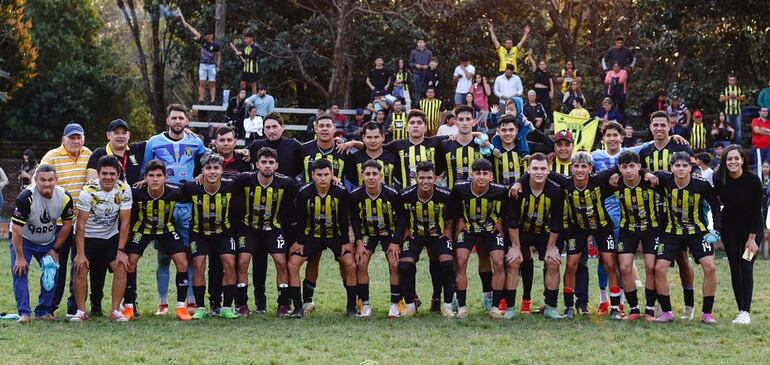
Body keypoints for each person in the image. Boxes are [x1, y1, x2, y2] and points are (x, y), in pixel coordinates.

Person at [143, 104, 208, 315]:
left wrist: (202, 174)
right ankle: (163, 302)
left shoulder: (195, 141)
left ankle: (189, 300)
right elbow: (146, 170)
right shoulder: (154, 142)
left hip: (187, 206)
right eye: (174, 118)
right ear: (168, 121)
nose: (178, 121)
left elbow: (209, 161)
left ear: (186, 121)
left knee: (187, 255)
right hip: (165, 206)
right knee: (163, 256)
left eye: (181, 118)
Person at [639, 111, 698, 320]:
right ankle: (656, 304)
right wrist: (645, 173)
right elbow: (635, 168)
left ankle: (689, 304)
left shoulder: (680, 146)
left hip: (678, 212)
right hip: (654, 212)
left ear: (670, 126)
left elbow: (696, 171)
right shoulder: (645, 151)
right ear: (650, 126)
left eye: (663, 125)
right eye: (655, 125)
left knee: (682, 258)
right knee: (654, 261)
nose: (659, 128)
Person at [652, 152, 721, 324]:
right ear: (671, 168)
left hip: (697, 232)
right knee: (659, 269)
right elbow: (644, 173)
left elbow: (715, 205)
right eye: (677, 165)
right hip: (671, 232)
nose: (681, 169)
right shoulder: (665, 179)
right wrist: (646, 172)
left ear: (691, 168)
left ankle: (707, 313)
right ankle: (667, 312)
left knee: (710, 267)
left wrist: (716, 230)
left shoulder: (702, 184)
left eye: (684, 166)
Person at [244, 113, 302, 311]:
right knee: (258, 261)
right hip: (260, 213)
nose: (271, 130)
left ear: (282, 127)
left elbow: (308, 168)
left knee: (283, 259)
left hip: (285, 214)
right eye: (267, 127)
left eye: (275, 126)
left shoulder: (294, 145)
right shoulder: (254, 146)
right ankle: (260, 303)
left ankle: (285, 301)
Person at [232, 147, 297, 317]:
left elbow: (307, 188)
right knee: (242, 262)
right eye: (264, 162)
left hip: (273, 229)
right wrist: (202, 175)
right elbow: (221, 179)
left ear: (277, 165)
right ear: (256, 164)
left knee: (281, 262)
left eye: (271, 163)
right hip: (249, 229)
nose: (267, 166)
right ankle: (241, 304)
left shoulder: (286, 183)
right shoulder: (245, 179)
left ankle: (283, 304)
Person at [287, 159, 356, 318]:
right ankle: (298, 308)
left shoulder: (341, 192)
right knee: (292, 264)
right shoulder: (304, 192)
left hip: (336, 236)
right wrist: (300, 241)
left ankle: (351, 307)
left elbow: (344, 219)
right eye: (319, 175)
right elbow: (301, 219)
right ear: (312, 175)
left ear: (332, 174)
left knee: (350, 265)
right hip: (312, 236)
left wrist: (346, 242)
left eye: (326, 174)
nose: (323, 178)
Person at [123, 160, 191, 321]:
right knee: (130, 262)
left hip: (166, 228)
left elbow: (194, 189)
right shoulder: (135, 191)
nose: (155, 179)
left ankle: (181, 307)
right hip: (142, 229)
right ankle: (129, 307)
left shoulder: (175, 191)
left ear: (166, 177)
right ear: (145, 178)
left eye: (159, 175)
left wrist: (202, 175)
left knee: (182, 262)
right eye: (151, 176)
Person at [71, 155, 133, 321]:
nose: (108, 177)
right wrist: (81, 253)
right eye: (104, 173)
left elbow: (125, 221)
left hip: (110, 237)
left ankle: (114, 311)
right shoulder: (88, 192)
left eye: (112, 173)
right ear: (98, 174)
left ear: (118, 174)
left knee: (121, 266)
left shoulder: (124, 189)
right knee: (81, 267)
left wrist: (121, 250)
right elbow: (81, 225)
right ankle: (81, 312)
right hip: (88, 237)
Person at [10, 165, 74, 323]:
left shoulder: (65, 197)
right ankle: (24, 313)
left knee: (51, 271)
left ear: (56, 180)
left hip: (47, 241)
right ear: (35, 180)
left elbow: (67, 225)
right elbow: (17, 229)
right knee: (20, 271)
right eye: (42, 180)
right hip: (24, 239)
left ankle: (43, 311)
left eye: (51, 180)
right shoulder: (26, 197)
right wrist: (20, 257)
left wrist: (54, 250)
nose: (47, 184)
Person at [40, 122, 92, 315]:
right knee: (55, 267)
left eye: (79, 137)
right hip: (58, 223)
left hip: (83, 223)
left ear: (83, 139)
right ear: (63, 139)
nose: (75, 141)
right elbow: (38, 181)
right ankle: (49, 307)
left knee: (79, 265)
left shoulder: (90, 155)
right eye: (72, 138)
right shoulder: (52, 156)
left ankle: (74, 308)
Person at [506, 153, 564, 319]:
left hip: (545, 233)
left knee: (553, 262)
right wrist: (515, 247)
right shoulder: (517, 190)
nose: (539, 172)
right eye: (535, 168)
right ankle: (510, 308)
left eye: (543, 168)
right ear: (528, 170)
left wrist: (552, 247)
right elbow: (512, 220)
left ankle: (551, 307)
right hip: (521, 232)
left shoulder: (556, 190)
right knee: (514, 261)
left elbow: (556, 221)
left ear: (548, 170)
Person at [450, 159, 508, 319]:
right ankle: (461, 306)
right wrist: (460, 219)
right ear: (471, 175)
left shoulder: (501, 190)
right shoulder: (459, 189)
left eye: (485, 174)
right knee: (461, 262)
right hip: (468, 228)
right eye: (477, 173)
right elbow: (452, 209)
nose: (481, 177)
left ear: (491, 176)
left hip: (490, 228)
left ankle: (495, 306)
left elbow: (507, 209)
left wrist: (500, 221)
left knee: (498, 262)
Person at [397, 161, 456, 317]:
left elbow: (452, 214)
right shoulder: (405, 195)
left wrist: (449, 230)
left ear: (435, 178)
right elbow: (401, 216)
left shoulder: (446, 195)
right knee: (404, 266)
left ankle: (447, 305)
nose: (425, 181)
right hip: (415, 236)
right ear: (416, 178)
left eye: (429, 178)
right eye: (422, 177)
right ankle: (411, 304)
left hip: (439, 235)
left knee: (448, 264)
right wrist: (405, 231)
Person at [713, 146, 762, 325]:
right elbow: (714, 200)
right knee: (735, 266)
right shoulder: (719, 179)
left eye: (736, 158)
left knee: (746, 266)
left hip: (752, 231)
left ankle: (746, 312)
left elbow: (757, 210)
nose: (733, 162)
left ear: (742, 160)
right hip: (730, 230)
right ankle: (740, 309)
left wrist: (752, 238)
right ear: (724, 161)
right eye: (729, 159)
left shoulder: (753, 180)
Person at [610, 151, 661, 321]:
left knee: (651, 267)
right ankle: (634, 309)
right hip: (628, 229)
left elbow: (667, 175)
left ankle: (650, 310)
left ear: (639, 166)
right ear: (619, 168)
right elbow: (598, 176)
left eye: (632, 166)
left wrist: (648, 173)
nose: (629, 171)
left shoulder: (650, 181)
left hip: (651, 229)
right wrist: (615, 174)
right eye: (624, 167)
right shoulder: (615, 182)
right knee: (624, 268)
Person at [350, 160, 403, 318]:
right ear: (362, 176)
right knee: (361, 262)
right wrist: (358, 242)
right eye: (368, 174)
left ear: (381, 175)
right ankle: (364, 304)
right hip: (368, 233)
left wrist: (395, 241)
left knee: (395, 263)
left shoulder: (392, 194)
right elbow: (354, 220)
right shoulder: (355, 195)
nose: (371, 177)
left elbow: (401, 219)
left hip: (390, 233)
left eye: (375, 174)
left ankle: (395, 304)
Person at [87, 119, 145, 185]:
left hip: (136, 195)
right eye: (116, 133)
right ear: (108, 135)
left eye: (124, 133)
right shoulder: (98, 154)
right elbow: (90, 182)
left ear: (129, 135)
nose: (121, 136)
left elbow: (156, 141)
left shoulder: (137, 149)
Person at [179, 12, 220, 104]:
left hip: (212, 65)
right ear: (205, 36)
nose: (209, 36)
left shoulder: (216, 45)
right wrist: (187, 25)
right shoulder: (203, 41)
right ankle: (201, 99)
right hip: (203, 65)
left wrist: (218, 66)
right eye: (207, 35)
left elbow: (218, 55)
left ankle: (213, 100)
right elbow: (194, 31)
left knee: (212, 83)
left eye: (211, 34)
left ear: (212, 35)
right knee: (202, 82)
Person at [343, 122, 398, 188]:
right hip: (360, 197)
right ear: (363, 138)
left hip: (388, 197)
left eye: (376, 137)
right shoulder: (354, 158)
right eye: (369, 137)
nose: (373, 141)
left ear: (383, 137)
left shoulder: (392, 157)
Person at [719, 74, 747, 143]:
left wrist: (736, 97)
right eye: (731, 80)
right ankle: (729, 143)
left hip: (738, 112)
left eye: (734, 80)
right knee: (729, 128)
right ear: (728, 81)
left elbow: (743, 98)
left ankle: (738, 144)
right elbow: (721, 99)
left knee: (738, 128)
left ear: (736, 80)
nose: (732, 81)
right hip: (728, 112)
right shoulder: (725, 88)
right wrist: (730, 97)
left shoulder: (739, 88)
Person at [409, 39, 432, 106]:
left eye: (422, 42)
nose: (420, 43)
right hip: (417, 73)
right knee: (417, 91)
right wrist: (416, 65)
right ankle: (418, 106)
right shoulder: (413, 52)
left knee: (426, 90)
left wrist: (427, 66)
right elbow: (410, 63)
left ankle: (427, 106)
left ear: (424, 43)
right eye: (419, 42)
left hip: (426, 74)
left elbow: (432, 63)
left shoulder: (429, 52)